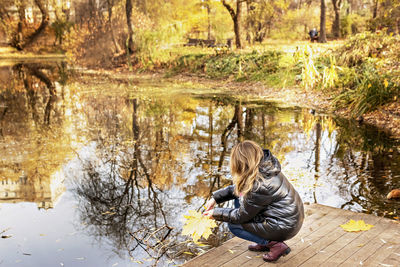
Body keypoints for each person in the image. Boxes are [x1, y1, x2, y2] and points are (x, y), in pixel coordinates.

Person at [203, 140, 304, 262]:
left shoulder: (260, 185)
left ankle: (274, 244)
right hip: (287, 219)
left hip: (284, 225)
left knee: (234, 225)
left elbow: (241, 216)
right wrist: (215, 198)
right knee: (238, 199)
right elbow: (238, 189)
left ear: (242, 164)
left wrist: (216, 213)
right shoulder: (264, 168)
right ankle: (263, 240)